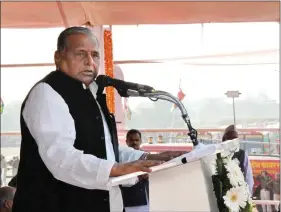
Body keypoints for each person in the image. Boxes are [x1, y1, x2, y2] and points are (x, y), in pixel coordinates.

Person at [12, 26, 185, 212]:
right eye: (80, 54)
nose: (89, 62)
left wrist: (149, 158)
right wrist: (117, 169)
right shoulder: (47, 93)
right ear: (58, 57)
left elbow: (106, 151)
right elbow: (61, 158)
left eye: (95, 55)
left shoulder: (91, 94)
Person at [122, 129, 149, 212]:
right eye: (131, 140)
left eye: (137, 140)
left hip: (146, 198)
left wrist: (148, 176)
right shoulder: (122, 156)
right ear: (126, 142)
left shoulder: (147, 156)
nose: (134, 143)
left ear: (140, 141)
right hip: (129, 199)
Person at [222, 125, 254, 194]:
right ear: (225, 139)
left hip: (239, 195)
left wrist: (248, 196)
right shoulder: (219, 154)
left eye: (235, 138)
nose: (232, 141)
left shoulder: (242, 154)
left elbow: (248, 178)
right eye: (230, 138)